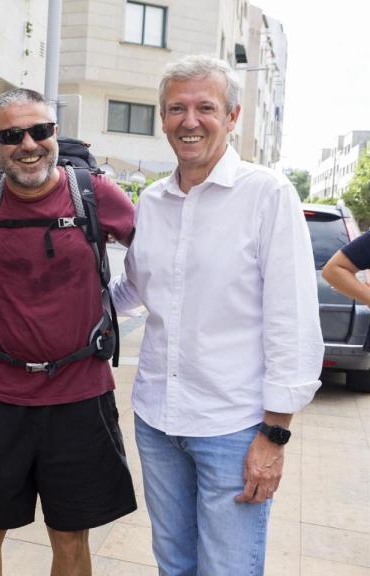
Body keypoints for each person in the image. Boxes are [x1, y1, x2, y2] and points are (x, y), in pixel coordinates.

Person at [110, 55, 323, 575]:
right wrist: (52, 297)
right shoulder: (154, 202)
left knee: (227, 568)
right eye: (176, 108)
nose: (189, 121)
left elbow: (292, 322)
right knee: (174, 564)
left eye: (205, 107)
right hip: (158, 421)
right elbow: (132, 291)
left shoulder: (267, 195)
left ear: (231, 117)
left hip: (234, 426)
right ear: (162, 119)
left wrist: (274, 435)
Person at [0, 88, 136, 576]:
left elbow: (165, 248)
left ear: (54, 133)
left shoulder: (94, 193)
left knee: (70, 536)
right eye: (11, 135)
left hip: (80, 394)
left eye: (40, 131)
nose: (28, 144)